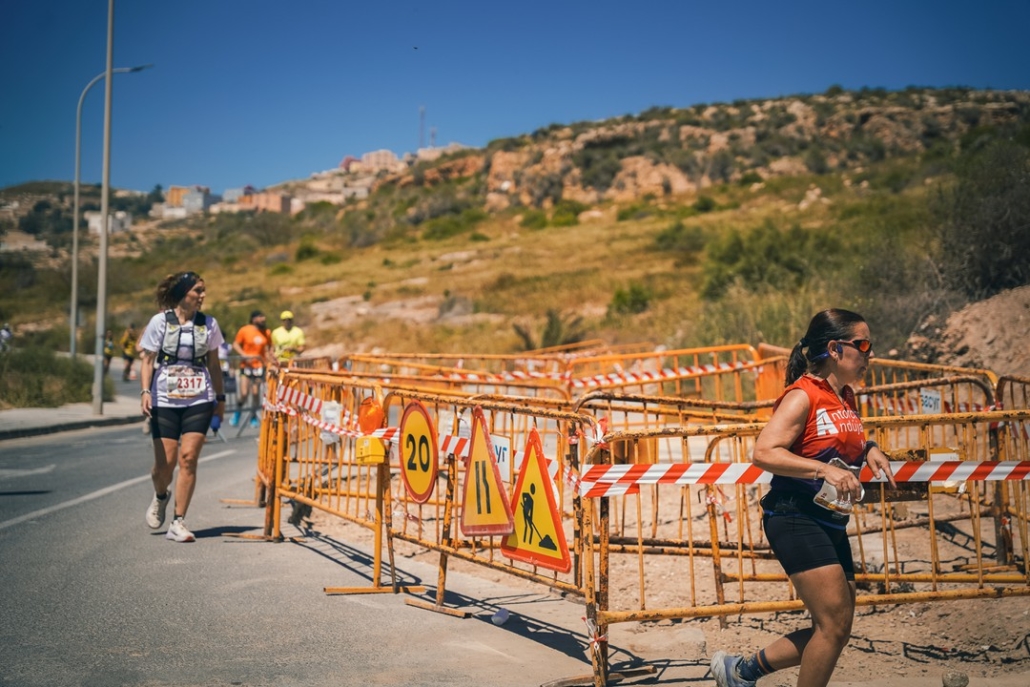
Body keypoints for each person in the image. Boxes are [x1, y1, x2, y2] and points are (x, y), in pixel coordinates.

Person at [710, 308, 896, 687]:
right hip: (795, 517)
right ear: (835, 348)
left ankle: (741, 671)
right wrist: (823, 471)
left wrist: (870, 448)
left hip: (830, 520)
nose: (870, 354)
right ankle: (741, 672)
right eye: (862, 345)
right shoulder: (802, 395)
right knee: (833, 625)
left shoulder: (845, 396)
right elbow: (764, 452)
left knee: (836, 628)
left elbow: (834, 443)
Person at [139, 271, 225, 543]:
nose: (203, 295)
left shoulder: (209, 324)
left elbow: (214, 365)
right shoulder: (160, 322)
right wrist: (145, 392)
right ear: (183, 293)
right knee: (165, 465)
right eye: (198, 290)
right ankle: (160, 495)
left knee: (188, 458)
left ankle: (178, 522)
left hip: (199, 399)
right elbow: (147, 360)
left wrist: (220, 399)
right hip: (165, 399)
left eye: (203, 290)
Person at [231, 310, 270, 428]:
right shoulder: (245, 330)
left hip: (259, 366)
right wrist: (244, 355)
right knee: (244, 393)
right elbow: (235, 344)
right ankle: (237, 412)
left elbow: (269, 348)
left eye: (263, 316)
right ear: (254, 319)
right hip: (246, 366)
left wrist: (270, 362)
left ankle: (253, 416)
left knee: (255, 392)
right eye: (260, 317)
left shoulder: (266, 332)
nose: (263, 319)